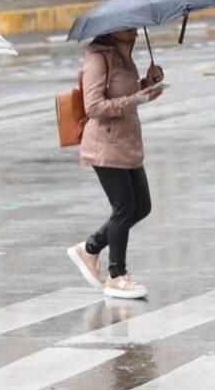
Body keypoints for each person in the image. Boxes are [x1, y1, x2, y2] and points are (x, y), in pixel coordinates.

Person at [67, 28, 164, 300]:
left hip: (127, 141)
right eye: (129, 27)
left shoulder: (123, 54)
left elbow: (125, 93)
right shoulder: (97, 57)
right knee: (124, 208)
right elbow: (93, 106)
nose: (135, 31)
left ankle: (89, 248)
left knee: (142, 206)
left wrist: (147, 83)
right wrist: (136, 99)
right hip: (105, 144)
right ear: (113, 29)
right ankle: (116, 276)